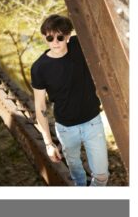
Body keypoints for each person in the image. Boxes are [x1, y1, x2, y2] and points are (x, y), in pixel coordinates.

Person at [31, 14, 109, 186]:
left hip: (92, 122)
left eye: (60, 37)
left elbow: (95, 23)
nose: (55, 42)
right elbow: (40, 106)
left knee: (102, 176)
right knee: (76, 172)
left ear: (68, 36)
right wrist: (48, 143)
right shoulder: (39, 68)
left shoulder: (79, 46)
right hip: (66, 128)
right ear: (45, 37)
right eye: (50, 37)